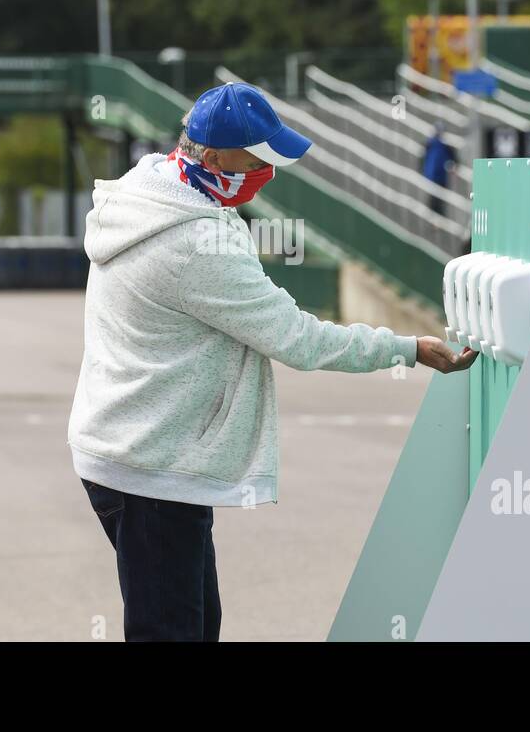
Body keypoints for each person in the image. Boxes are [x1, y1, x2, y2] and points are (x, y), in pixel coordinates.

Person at [68, 82, 477, 642]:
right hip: (152, 466)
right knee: (174, 631)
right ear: (211, 157)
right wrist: (406, 348)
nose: (269, 171)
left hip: (135, 448)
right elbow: (297, 340)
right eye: (257, 158)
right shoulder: (192, 242)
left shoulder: (151, 193)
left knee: (194, 623)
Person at [421, 123, 457, 216]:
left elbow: (455, 160)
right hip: (432, 177)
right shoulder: (429, 144)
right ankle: (433, 224)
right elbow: (422, 159)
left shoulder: (445, 146)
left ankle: (436, 224)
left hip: (440, 177)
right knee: (434, 201)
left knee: (439, 202)